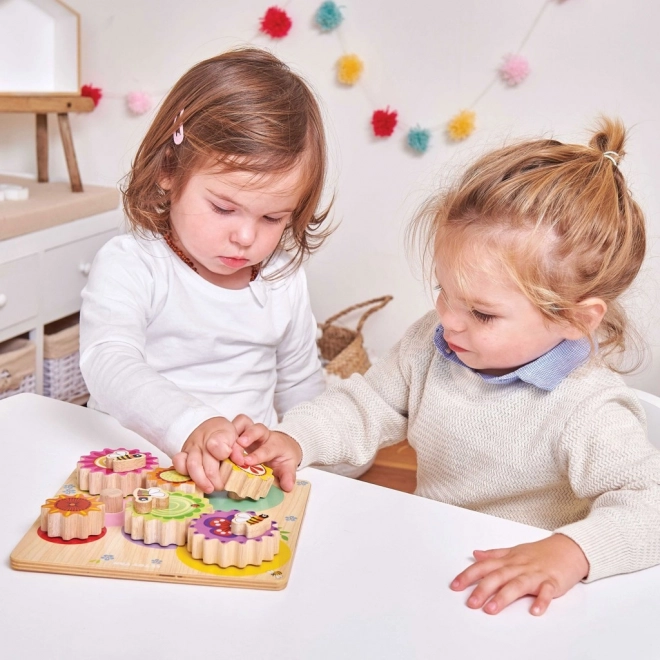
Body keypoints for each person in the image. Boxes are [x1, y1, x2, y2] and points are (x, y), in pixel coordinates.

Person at [232, 118, 660, 615]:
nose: (448, 320)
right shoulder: (432, 345)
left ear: (573, 319)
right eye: (443, 291)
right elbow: (365, 407)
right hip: (433, 559)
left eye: (482, 313)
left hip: (525, 599)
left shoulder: (589, 409)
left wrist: (571, 551)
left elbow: (651, 506)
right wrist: (295, 439)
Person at [80, 47, 367, 494]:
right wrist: (189, 423)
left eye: (273, 218)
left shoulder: (281, 278)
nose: (246, 238)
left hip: (235, 485)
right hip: (130, 474)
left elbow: (302, 386)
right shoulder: (132, 264)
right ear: (169, 171)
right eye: (224, 208)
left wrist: (305, 445)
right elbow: (108, 362)